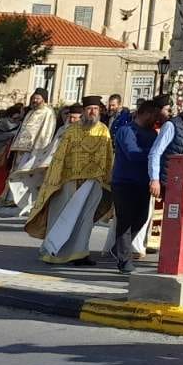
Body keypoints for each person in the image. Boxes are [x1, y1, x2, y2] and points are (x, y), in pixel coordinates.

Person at [27, 98, 113, 265]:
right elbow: (59, 157)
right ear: (84, 111)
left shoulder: (104, 130)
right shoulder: (71, 131)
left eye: (95, 109)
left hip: (94, 181)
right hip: (69, 180)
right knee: (63, 216)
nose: (92, 112)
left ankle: (80, 253)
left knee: (85, 219)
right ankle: (54, 251)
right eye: (89, 109)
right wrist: (56, 179)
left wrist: (107, 178)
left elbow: (108, 156)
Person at [106, 99, 162, 274]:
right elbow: (132, 153)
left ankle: (118, 248)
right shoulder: (126, 131)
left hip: (143, 182)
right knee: (125, 220)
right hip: (124, 182)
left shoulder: (152, 133)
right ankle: (124, 262)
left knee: (141, 218)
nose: (155, 118)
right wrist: (154, 155)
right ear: (143, 113)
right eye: (153, 115)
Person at [6, 90, 58, 215]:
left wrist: (40, 150)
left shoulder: (48, 112)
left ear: (44, 99)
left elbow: (46, 132)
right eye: (33, 98)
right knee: (16, 172)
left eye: (38, 98)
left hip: (33, 149)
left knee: (26, 174)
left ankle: (25, 201)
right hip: (21, 148)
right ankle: (12, 198)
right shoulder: (30, 112)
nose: (35, 100)